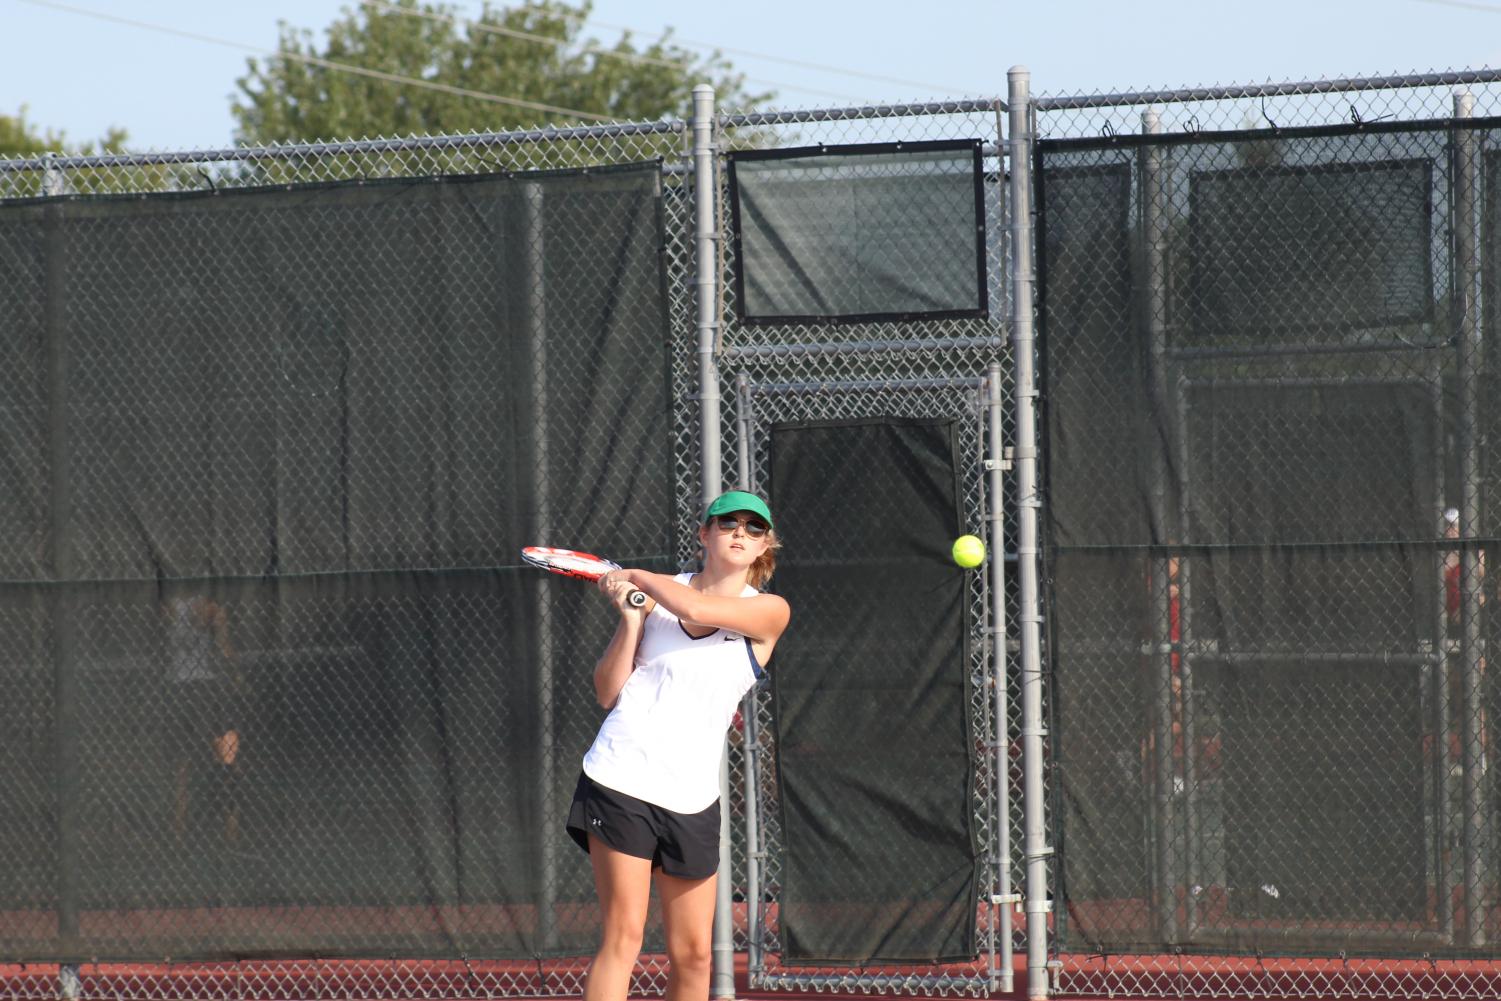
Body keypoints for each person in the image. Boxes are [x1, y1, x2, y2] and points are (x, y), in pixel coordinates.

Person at [566, 490, 791, 1001]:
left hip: (692, 797)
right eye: (727, 523)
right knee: (623, 937)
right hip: (621, 776)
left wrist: (639, 577)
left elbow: (693, 605)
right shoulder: (656, 602)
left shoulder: (771, 611)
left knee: (693, 957)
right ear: (704, 534)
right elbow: (607, 691)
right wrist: (629, 618)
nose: (740, 532)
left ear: (764, 546)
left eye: (753, 528)